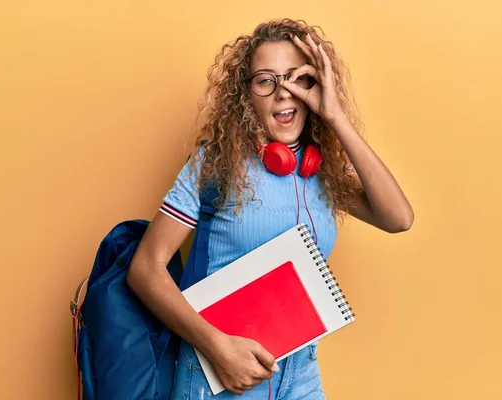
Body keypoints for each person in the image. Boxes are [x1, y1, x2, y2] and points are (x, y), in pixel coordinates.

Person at [126, 18, 414, 399]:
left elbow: (399, 218)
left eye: (298, 78)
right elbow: (145, 269)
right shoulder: (216, 163)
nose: (283, 93)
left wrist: (335, 115)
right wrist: (216, 347)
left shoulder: (322, 168)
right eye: (267, 80)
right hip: (221, 372)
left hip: (301, 374)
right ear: (247, 95)